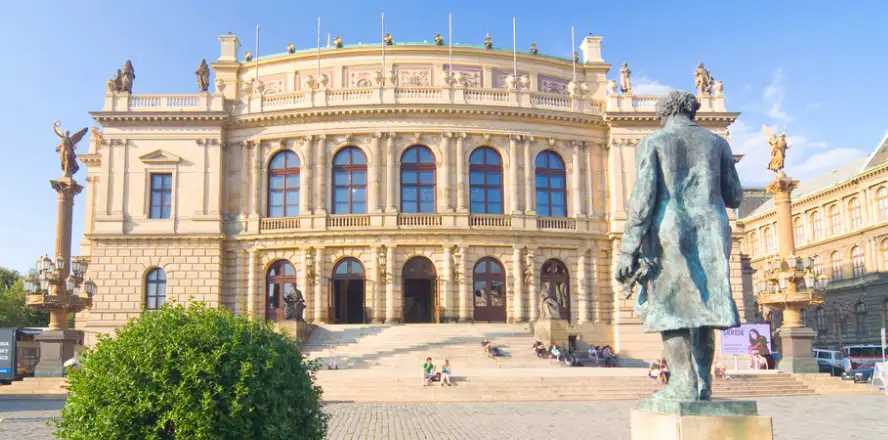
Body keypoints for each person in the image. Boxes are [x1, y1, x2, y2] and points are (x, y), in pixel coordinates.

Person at [615, 90, 743, 401]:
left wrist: (628, 248)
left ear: (664, 111)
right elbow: (735, 196)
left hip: (669, 231)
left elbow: (643, 201)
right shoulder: (718, 143)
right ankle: (703, 383)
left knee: (671, 309)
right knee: (705, 310)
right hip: (712, 231)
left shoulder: (655, 142)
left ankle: (683, 383)